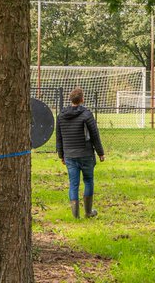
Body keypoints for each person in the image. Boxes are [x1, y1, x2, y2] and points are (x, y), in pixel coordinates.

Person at [56, 87, 105, 219]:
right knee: (88, 180)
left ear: (70, 99)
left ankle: (75, 215)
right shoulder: (87, 114)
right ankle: (88, 212)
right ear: (82, 99)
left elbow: (59, 137)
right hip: (86, 153)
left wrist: (61, 155)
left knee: (73, 184)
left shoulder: (61, 116)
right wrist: (100, 153)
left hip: (69, 155)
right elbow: (95, 135)